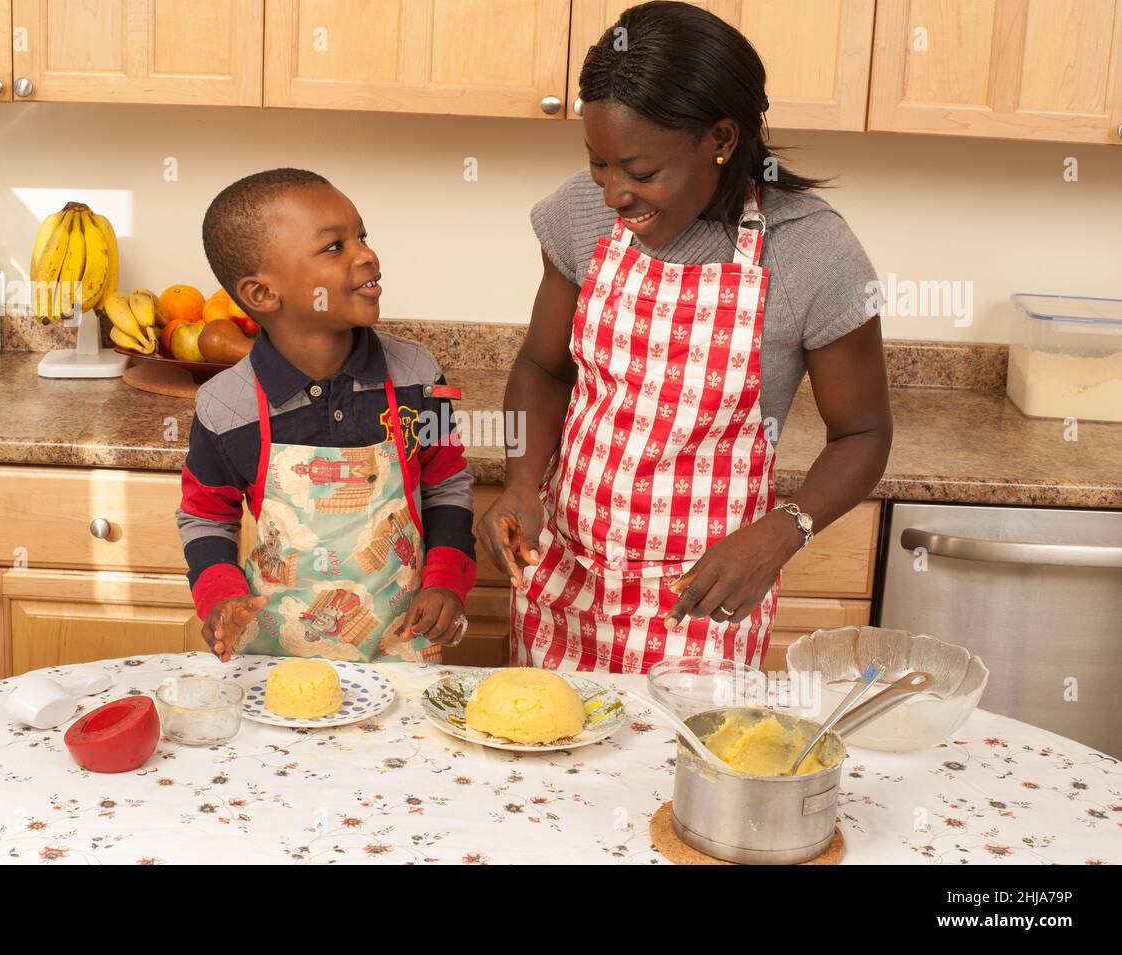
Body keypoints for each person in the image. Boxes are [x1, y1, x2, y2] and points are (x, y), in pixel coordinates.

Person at [476, 2, 893, 673]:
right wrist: (523, 481)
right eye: (597, 164)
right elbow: (542, 367)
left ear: (720, 137)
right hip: (567, 574)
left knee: (682, 772)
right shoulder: (580, 214)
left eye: (640, 173)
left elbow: (864, 434)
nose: (613, 192)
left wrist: (781, 532)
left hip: (706, 592)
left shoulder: (810, 249)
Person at [178, 168, 477, 663]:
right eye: (335, 247)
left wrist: (447, 583)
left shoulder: (417, 375)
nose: (366, 254)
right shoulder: (225, 406)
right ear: (262, 295)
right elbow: (206, 517)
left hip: (403, 647)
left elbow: (446, 484)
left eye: (362, 235)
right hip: (274, 657)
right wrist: (220, 597)